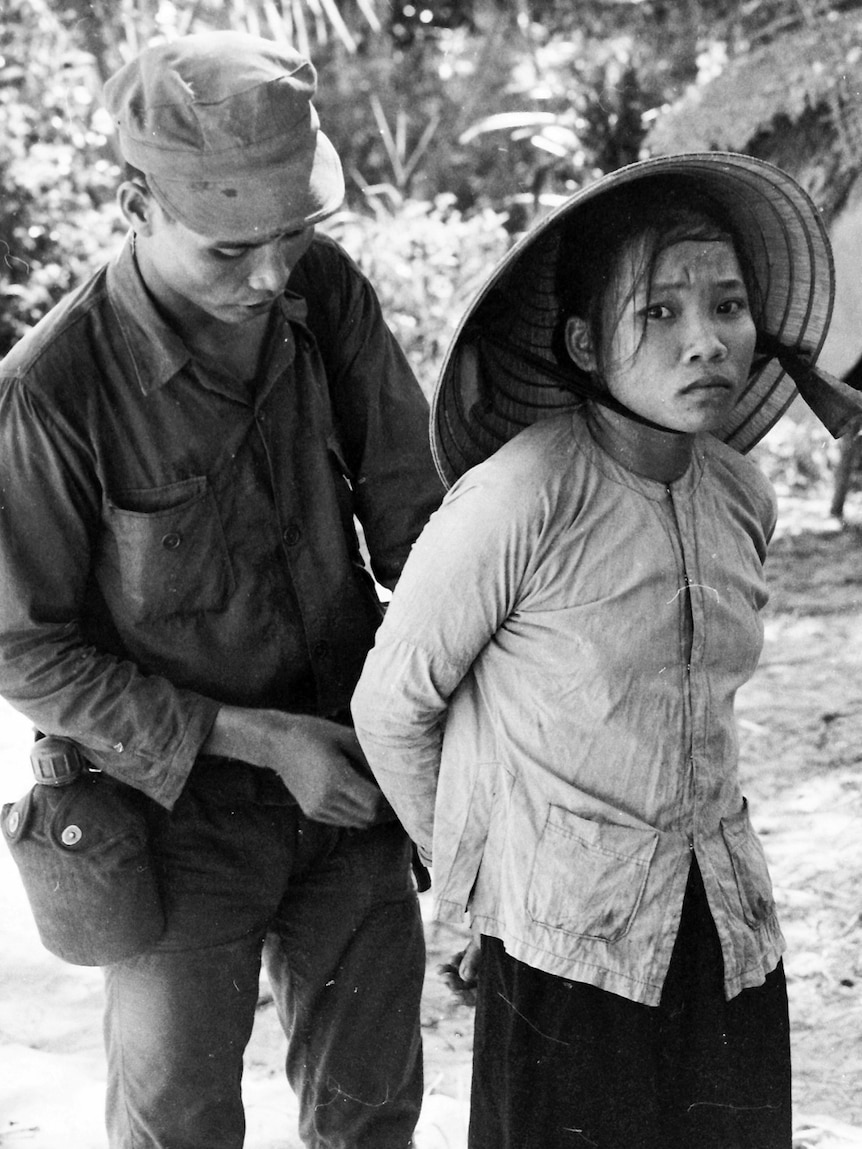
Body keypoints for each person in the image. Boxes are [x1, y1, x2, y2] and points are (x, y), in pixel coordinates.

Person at [351, 152, 862, 1149]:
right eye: (660, 315)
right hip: (562, 947)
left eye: (726, 306)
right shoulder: (519, 496)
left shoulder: (738, 497)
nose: (706, 341)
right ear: (585, 344)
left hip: (722, 927)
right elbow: (392, 704)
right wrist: (472, 893)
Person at [0, 31, 443, 1149]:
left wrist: (434, 723)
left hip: (353, 779)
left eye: (295, 236)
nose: (270, 277)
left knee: (372, 1111)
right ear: (131, 201)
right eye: (230, 248)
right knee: (177, 1123)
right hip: (171, 817)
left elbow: (415, 518)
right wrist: (259, 740)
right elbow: (22, 649)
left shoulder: (322, 293)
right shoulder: (50, 395)